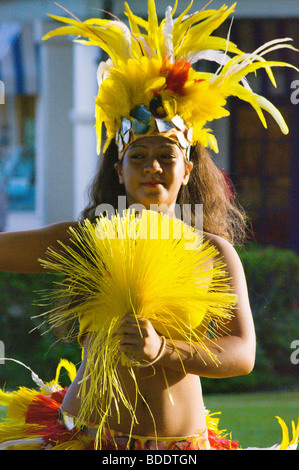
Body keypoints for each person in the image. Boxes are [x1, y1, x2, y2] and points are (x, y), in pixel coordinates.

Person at [0, 1, 298, 451]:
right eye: (137, 157)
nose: (152, 167)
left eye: (166, 156)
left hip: (182, 449)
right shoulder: (88, 241)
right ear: (119, 171)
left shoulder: (212, 252)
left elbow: (242, 354)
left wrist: (164, 349)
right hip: (89, 439)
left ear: (189, 167)